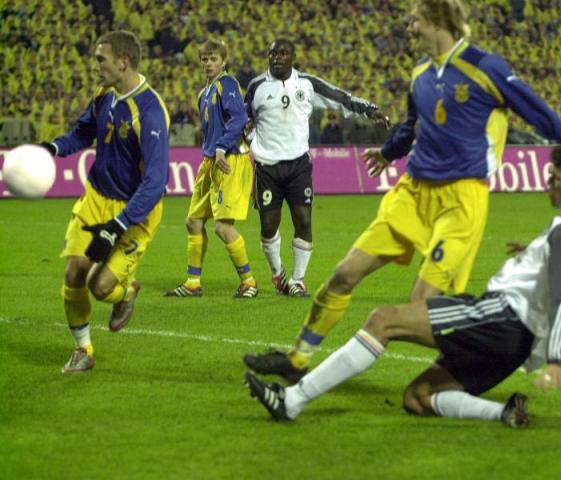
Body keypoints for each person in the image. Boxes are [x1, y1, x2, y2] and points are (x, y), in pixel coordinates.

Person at [244, 0, 561, 383]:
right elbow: (412, 124)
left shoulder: (485, 67)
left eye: (415, 20)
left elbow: (539, 113)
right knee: (344, 274)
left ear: (437, 22)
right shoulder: (421, 71)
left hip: (460, 200)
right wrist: (388, 153)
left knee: (419, 310)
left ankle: (506, 344)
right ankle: (297, 360)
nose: (409, 28)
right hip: (412, 193)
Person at [245, 141, 561, 427]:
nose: (547, 185)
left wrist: (560, 359)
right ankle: (505, 413)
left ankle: (292, 400)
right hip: (514, 342)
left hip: (504, 318)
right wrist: (540, 251)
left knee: (384, 320)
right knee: (419, 397)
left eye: (555, 179)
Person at [38, 30, 170, 373]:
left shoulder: (150, 112)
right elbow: (83, 133)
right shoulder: (104, 95)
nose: (95, 66)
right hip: (97, 197)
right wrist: (53, 148)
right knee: (75, 271)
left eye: (101, 59)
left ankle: (125, 294)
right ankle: (83, 349)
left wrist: (118, 225)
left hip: (136, 211)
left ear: (123, 62)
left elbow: (156, 182)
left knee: (99, 287)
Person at [244, 38, 388, 297]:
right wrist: (252, 141)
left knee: (304, 220)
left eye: (283, 53)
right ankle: (278, 272)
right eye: (273, 53)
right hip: (267, 167)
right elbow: (243, 121)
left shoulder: (307, 84)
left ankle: (298, 280)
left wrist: (369, 110)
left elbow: (340, 98)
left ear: (293, 57)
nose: (277, 58)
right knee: (268, 226)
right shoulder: (256, 87)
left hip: (298, 165)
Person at [164, 39, 259, 299]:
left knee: (222, 227)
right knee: (193, 222)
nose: (208, 63)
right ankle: (193, 283)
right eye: (204, 59)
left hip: (229, 160)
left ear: (223, 61)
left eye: (213, 59)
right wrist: (212, 151)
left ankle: (249, 282)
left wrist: (221, 147)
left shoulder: (227, 84)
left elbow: (239, 119)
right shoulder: (203, 93)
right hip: (210, 162)